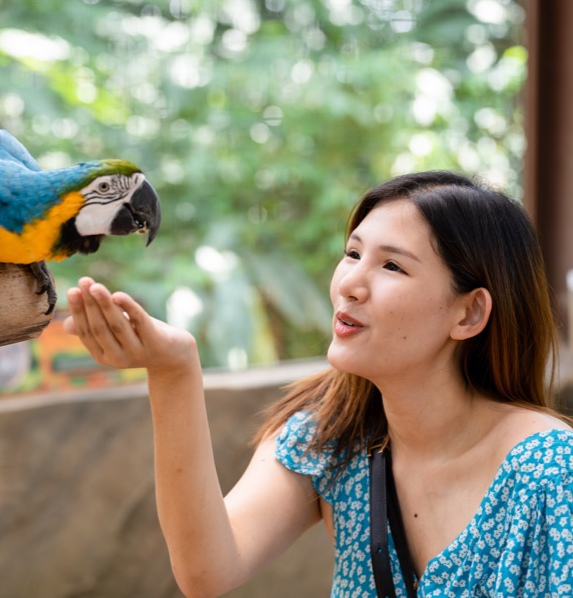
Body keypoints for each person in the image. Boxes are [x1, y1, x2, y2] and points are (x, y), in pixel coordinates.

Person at [62, 171, 573, 597]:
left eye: (392, 265)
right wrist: (174, 371)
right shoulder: (332, 439)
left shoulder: (549, 471)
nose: (350, 283)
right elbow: (206, 569)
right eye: (353, 254)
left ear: (469, 313)